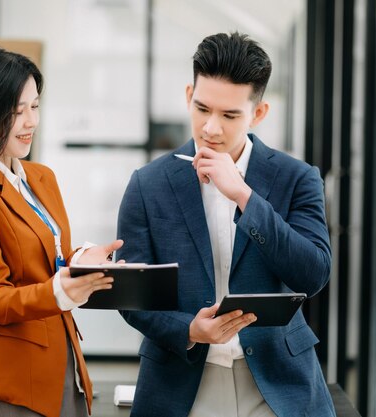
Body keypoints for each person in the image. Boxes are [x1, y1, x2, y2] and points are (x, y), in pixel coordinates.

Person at [116, 32, 335, 417]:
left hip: (277, 381)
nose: (211, 128)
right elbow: (134, 297)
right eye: (202, 108)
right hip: (180, 383)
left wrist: (245, 197)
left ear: (259, 113)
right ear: (188, 96)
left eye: (230, 115)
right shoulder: (148, 184)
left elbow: (313, 273)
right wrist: (189, 330)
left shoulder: (297, 178)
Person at [0, 46, 122, 417]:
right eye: (16, 111)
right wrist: (63, 289)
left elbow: (46, 256)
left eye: (35, 106)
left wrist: (79, 260)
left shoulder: (41, 177)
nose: (30, 121)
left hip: (62, 365)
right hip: (7, 384)